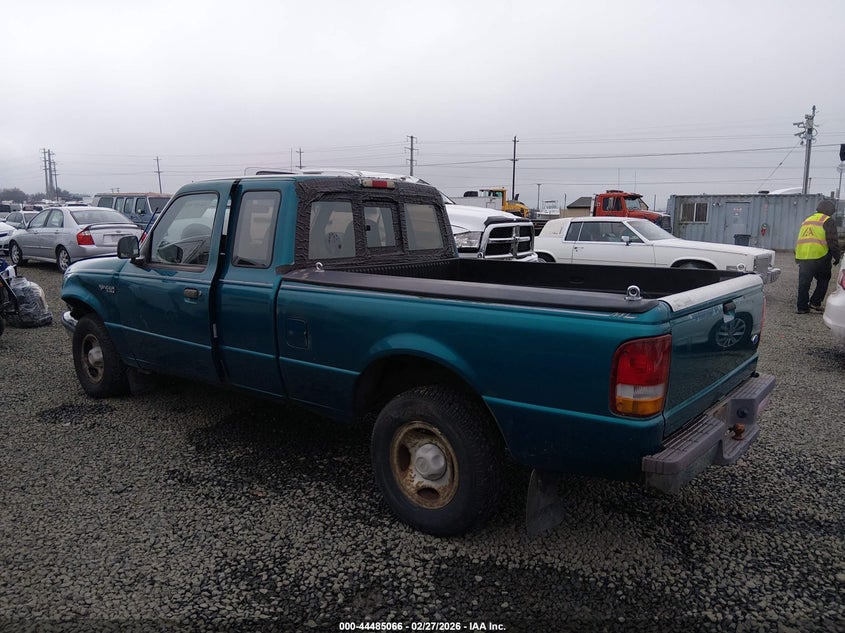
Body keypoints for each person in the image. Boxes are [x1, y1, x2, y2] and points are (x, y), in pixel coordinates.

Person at [795, 199, 841, 314]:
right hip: (820, 255)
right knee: (824, 279)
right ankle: (815, 302)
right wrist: (837, 256)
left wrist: (797, 256)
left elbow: (800, 238)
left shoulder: (807, 220)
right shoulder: (828, 220)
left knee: (804, 282)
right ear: (830, 211)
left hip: (803, 256)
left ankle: (802, 307)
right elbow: (832, 240)